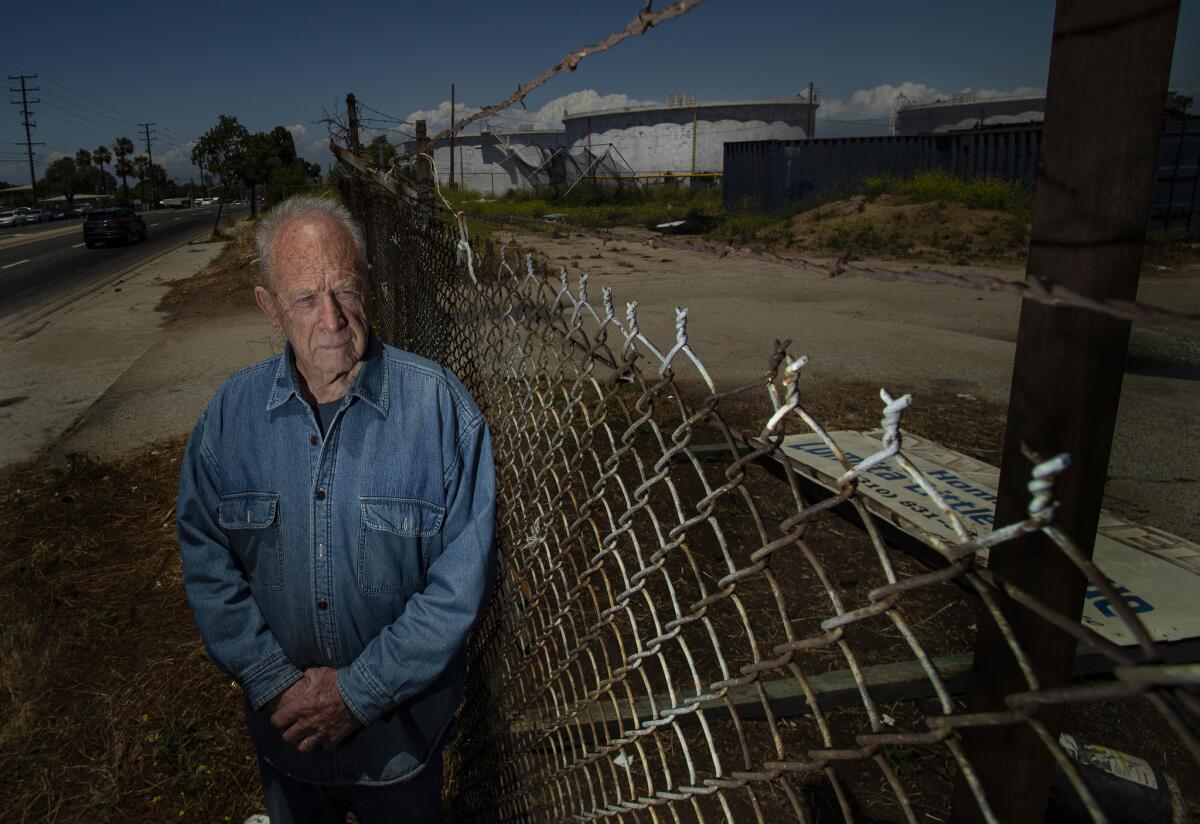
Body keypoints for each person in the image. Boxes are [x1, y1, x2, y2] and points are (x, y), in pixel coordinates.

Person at [177, 195, 496, 823]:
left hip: (400, 749)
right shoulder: (228, 418)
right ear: (269, 308)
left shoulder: (442, 413)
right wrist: (271, 679)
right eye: (304, 299)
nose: (331, 319)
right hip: (287, 740)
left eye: (345, 291)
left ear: (369, 284)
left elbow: (459, 586)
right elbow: (207, 560)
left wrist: (357, 693)